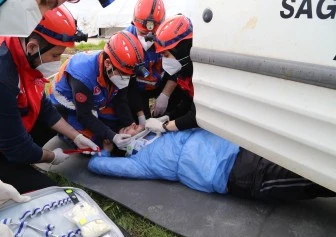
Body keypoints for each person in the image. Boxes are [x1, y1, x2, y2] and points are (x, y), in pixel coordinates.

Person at [0, 6, 98, 213]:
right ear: (33, 47)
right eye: (55, 55)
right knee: (53, 197)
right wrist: (52, 156)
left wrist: (76, 136)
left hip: (5, 135)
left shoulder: (23, 56)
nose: (57, 62)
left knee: (59, 112)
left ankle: (24, 168)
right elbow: (18, 150)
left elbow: (45, 107)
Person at [89, 128, 336, 202]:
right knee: (314, 176)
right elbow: (98, 167)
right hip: (237, 173)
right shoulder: (140, 163)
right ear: (125, 141)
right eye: (126, 129)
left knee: (314, 160)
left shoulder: (161, 131)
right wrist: (106, 151)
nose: (132, 126)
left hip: (242, 145)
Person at [49, 31, 147, 150]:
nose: (126, 79)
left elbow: (120, 100)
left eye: (129, 76)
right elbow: (84, 115)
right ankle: (65, 136)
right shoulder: (83, 76)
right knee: (94, 144)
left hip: (98, 99)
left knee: (119, 127)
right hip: (68, 105)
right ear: (107, 63)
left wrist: (129, 124)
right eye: (124, 75)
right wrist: (112, 136)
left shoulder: (119, 68)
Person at [144, 14, 198, 133]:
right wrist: (169, 116)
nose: (165, 61)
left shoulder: (201, 74)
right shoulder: (184, 72)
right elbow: (187, 104)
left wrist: (165, 127)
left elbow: (198, 115)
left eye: (166, 55)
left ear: (181, 50)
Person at [125, 0, 172, 123]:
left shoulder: (169, 34)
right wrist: (141, 114)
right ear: (134, 23)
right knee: (142, 123)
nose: (147, 38)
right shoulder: (124, 40)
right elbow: (128, 84)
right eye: (143, 33)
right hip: (137, 89)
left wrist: (166, 94)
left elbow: (179, 67)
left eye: (152, 34)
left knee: (172, 114)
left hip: (162, 82)